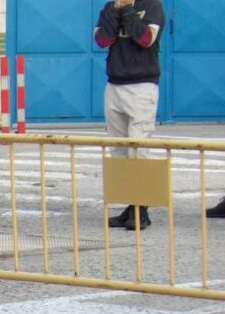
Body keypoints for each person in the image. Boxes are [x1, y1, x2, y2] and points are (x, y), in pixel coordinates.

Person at [95, 0, 165, 230]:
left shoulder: (152, 5)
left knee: (139, 148)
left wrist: (126, 9)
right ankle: (129, 205)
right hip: (114, 84)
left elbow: (145, 39)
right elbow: (102, 40)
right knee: (119, 150)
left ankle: (141, 209)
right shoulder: (108, 7)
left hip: (142, 85)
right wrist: (116, 11)